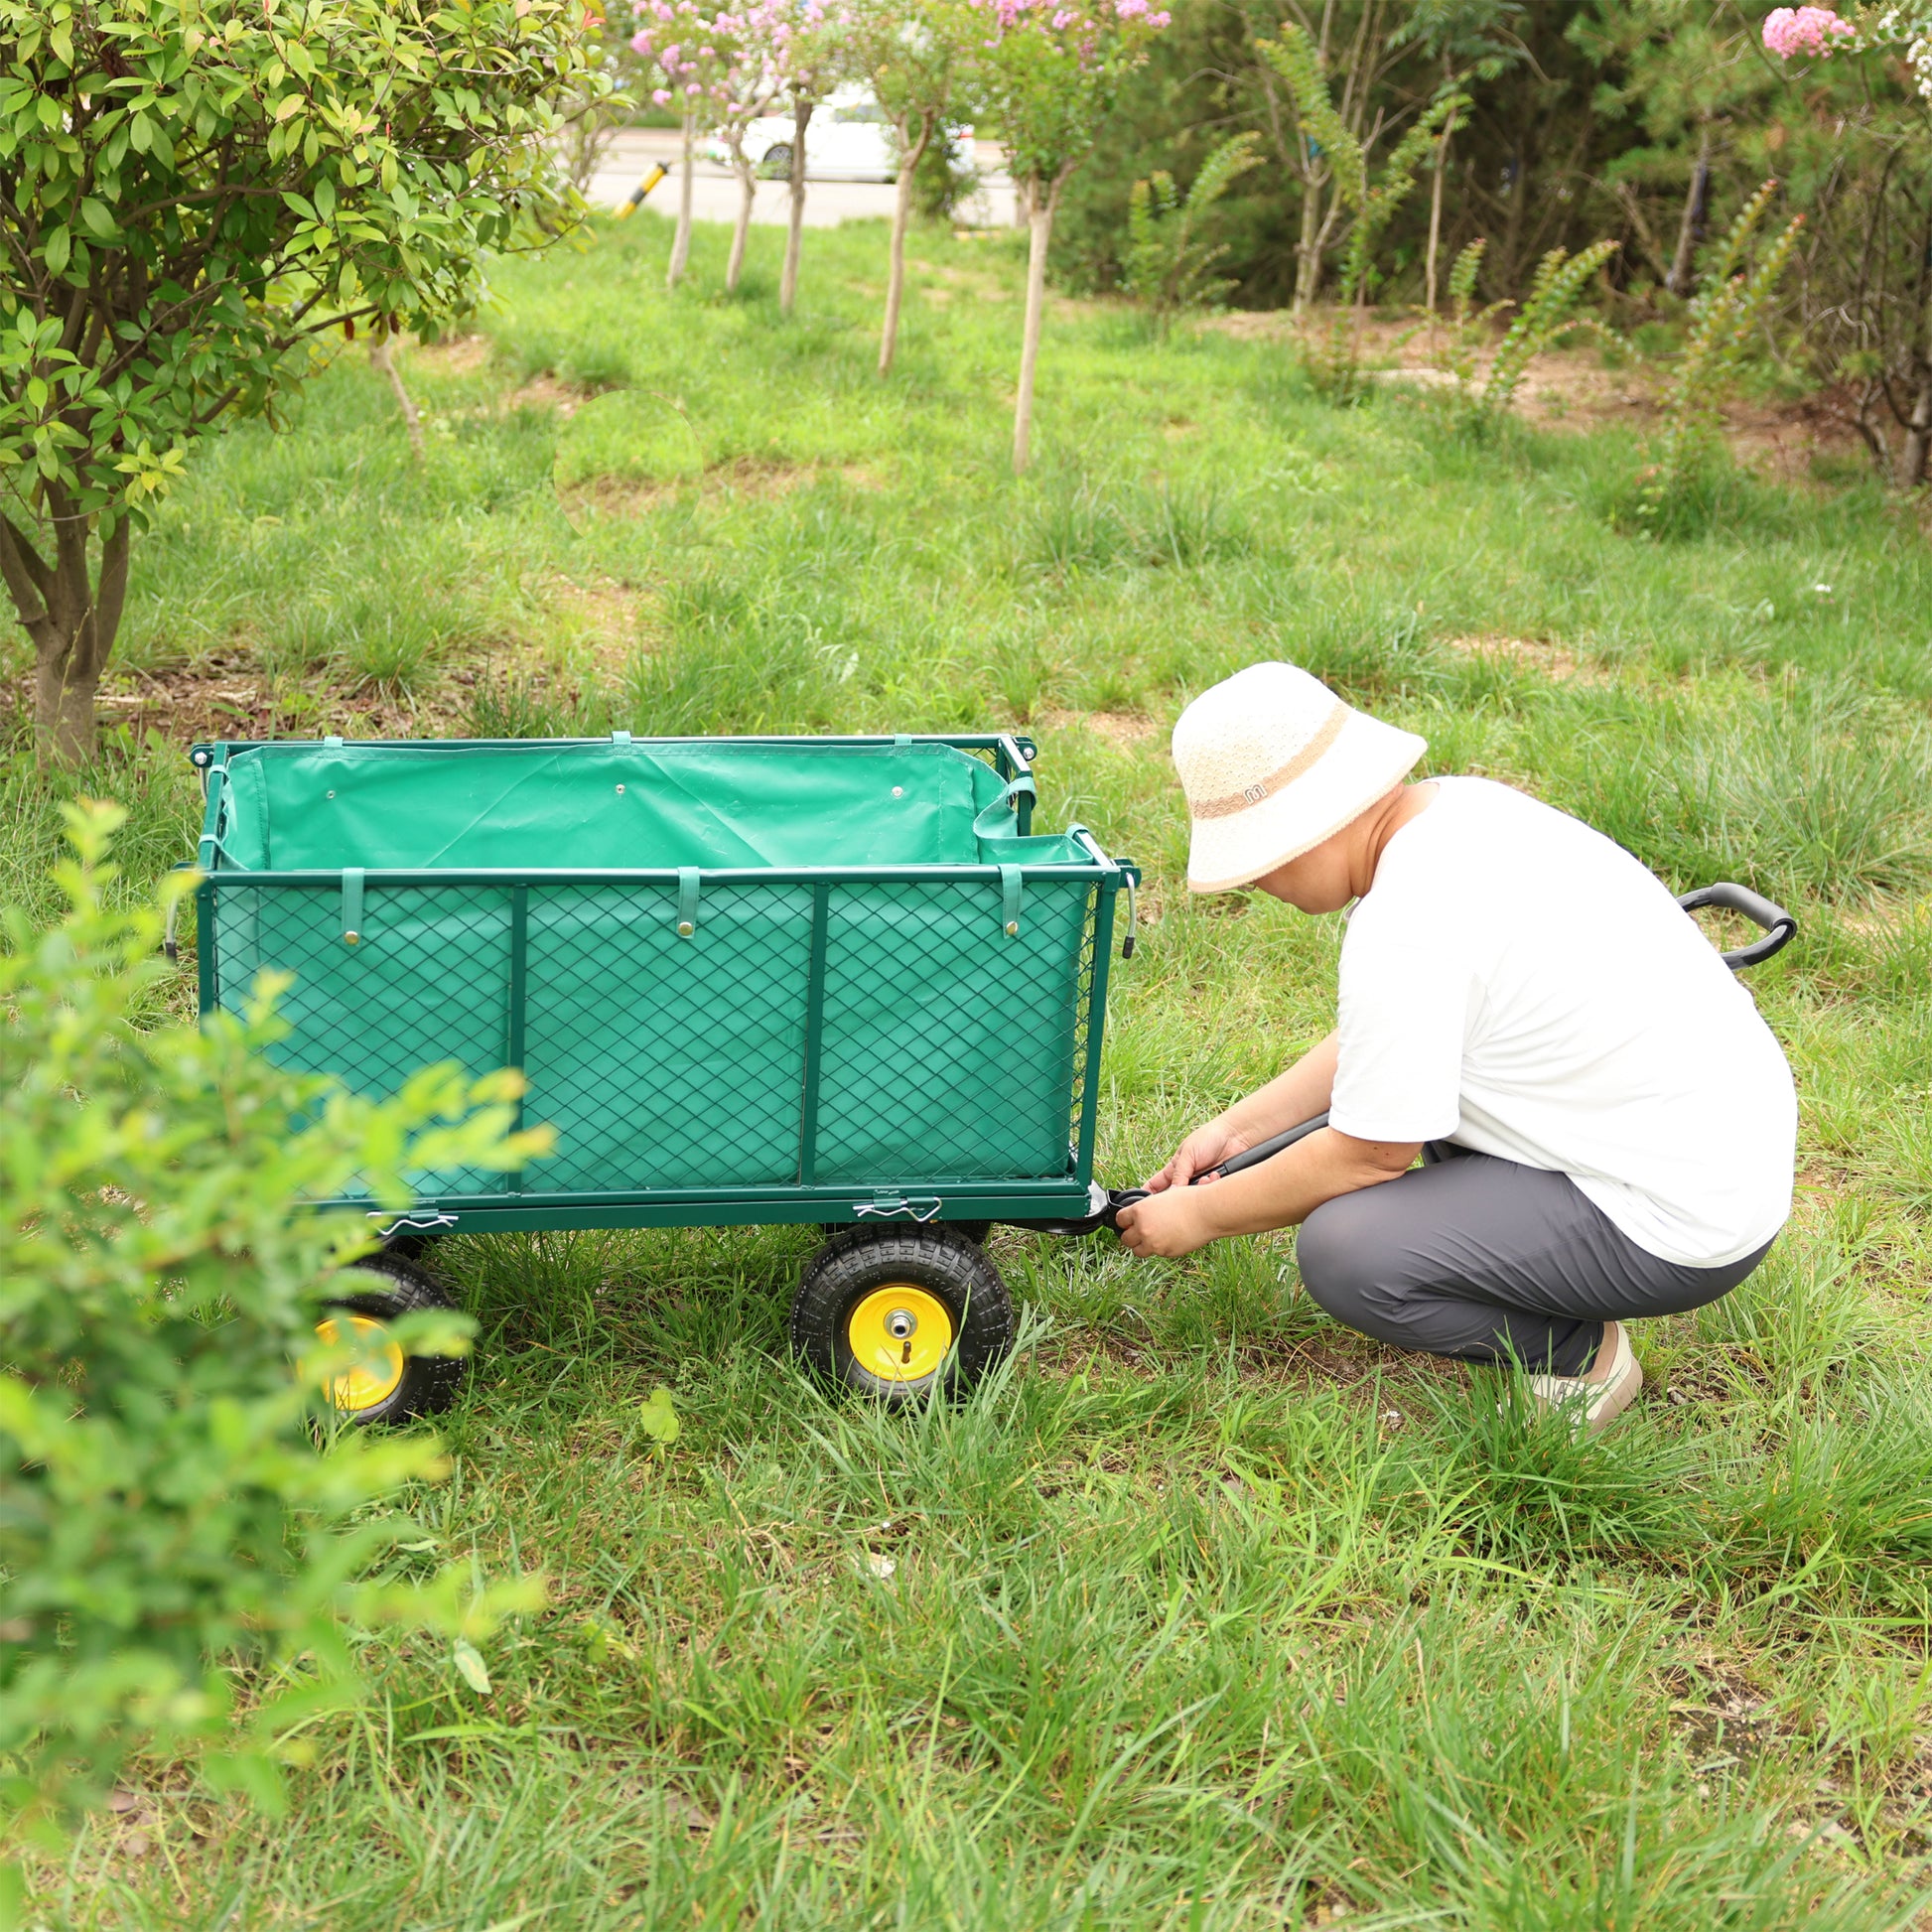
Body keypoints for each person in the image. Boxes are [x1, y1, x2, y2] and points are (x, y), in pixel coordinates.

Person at [1113, 661, 1796, 1433]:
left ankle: (1581, 1356)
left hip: (1677, 1218)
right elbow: (1387, 1036)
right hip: (1722, 1147)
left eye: (1258, 864)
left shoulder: (1408, 920)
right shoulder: (1462, 809)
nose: (1255, 884)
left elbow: (1367, 1155)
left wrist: (1202, 1216)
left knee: (1349, 1252)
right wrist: (1238, 1131)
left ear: (1311, 826)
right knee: (1404, 1131)